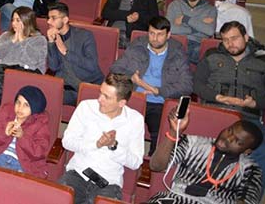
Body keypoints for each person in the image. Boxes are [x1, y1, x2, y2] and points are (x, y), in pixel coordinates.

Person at [111, 16, 193, 155]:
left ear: (168, 35)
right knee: (118, 127)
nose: (155, 38)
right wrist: (132, 78)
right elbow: (115, 68)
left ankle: (152, 161)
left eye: (160, 34)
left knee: (159, 133)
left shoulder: (177, 53)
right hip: (134, 97)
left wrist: (157, 90)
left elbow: (187, 86)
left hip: (159, 102)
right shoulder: (138, 46)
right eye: (151, 33)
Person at [59, 73, 145, 204]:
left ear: (121, 103)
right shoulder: (86, 107)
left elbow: (136, 162)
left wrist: (113, 146)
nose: (99, 99)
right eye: (100, 93)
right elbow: (67, 142)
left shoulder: (135, 120)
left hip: (108, 183)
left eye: (106, 97)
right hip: (77, 174)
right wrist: (96, 144)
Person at [147, 107, 262, 204]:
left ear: (247, 151)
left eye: (238, 141)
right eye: (229, 131)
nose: (228, 138)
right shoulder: (192, 143)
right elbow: (155, 166)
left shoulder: (250, 169)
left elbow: (247, 201)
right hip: (175, 199)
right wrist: (174, 132)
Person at [193, 20, 265, 173]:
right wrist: (218, 97)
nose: (230, 44)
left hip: (247, 117)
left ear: (246, 37)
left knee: (262, 152)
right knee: (193, 144)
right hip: (215, 110)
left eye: (234, 38)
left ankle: (249, 189)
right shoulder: (212, 55)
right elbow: (197, 84)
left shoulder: (261, 60)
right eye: (225, 40)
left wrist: (254, 103)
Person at [0, 86, 50, 188]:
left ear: (35, 108)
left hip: (23, 163)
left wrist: (22, 137)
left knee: (9, 189)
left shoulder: (40, 124)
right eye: (18, 102)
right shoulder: (4, 112)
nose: (20, 108)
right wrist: (4, 134)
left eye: (26, 105)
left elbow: (39, 152)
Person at [0, 7, 49, 113]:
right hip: (4, 71)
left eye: (18, 20)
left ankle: (1, 115)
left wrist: (22, 40)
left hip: (28, 73)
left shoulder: (39, 39)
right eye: (13, 20)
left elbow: (31, 61)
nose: (14, 23)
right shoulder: (6, 35)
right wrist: (12, 41)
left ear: (27, 22)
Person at [46, 3, 104, 106]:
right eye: (48, 18)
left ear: (65, 20)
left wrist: (65, 52)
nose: (48, 22)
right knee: (42, 93)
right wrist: (51, 42)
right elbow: (53, 67)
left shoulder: (84, 36)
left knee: (52, 97)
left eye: (53, 18)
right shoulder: (54, 37)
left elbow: (92, 65)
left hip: (87, 85)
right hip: (66, 86)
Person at [166, 0, 217, 64]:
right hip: (176, 41)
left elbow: (209, 31)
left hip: (197, 45)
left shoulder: (210, 9)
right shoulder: (175, 5)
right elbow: (169, 28)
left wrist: (186, 19)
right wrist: (197, 26)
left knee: (210, 56)